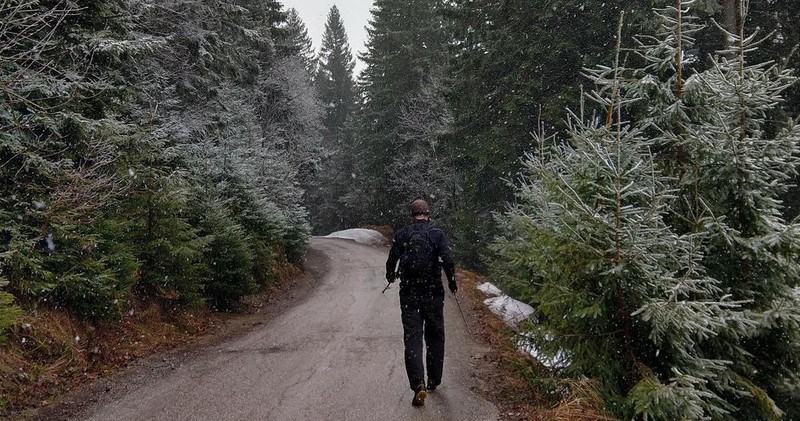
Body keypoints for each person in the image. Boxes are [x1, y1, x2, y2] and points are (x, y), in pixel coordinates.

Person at [385, 199, 457, 407]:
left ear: (412, 214)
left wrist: (390, 275)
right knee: (435, 336)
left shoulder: (402, 235)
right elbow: (448, 260)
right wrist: (452, 282)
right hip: (433, 294)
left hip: (409, 295)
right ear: (428, 214)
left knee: (413, 339)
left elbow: (391, 261)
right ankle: (434, 379)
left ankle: (418, 383)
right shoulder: (437, 234)